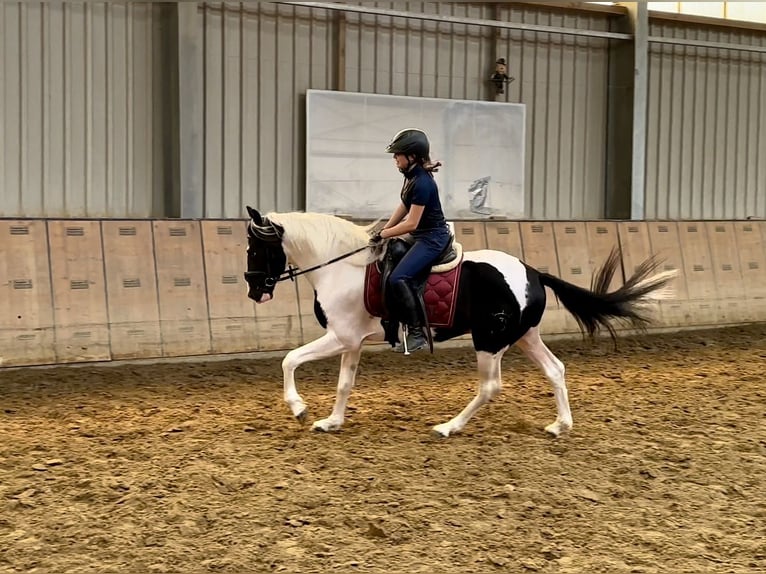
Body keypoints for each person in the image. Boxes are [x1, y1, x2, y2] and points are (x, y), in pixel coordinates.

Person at [369, 128, 452, 353]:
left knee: (399, 278)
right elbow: (404, 206)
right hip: (420, 234)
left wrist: (385, 233)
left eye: (398, 154)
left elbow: (412, 223)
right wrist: (383, 230)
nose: (395, 158)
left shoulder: (423, 182)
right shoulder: (411, 178)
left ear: (412, 156)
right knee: (391, 251)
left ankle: (417, 333)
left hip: (432, 237)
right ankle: (392, 319)